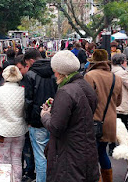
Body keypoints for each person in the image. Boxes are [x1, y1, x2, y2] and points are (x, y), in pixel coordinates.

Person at [41, 50, 99, 182]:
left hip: (69, 154)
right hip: (85, 150)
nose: (54, 74)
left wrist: (45, 115)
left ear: (59, 71)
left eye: (54, 70)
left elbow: (56, 127)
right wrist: (57, 107)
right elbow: (82, 113)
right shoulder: (84, 85)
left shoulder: (66, 91)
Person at [84, 50, 122, 182]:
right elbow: (118, 102)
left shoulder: (89, 76)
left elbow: (86, 101)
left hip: (94, 121)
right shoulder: (116, 78)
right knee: (102, 153)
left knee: (91, 155)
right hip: (110, 121)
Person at [0, 66, 27, 182]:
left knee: (4, 161)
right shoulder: (23, 91)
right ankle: (17, 180)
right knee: (17, 160)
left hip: (2, 131)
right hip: (19, 130)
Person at [23, 48, 57, 182]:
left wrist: (28, 119)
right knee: (53, 155)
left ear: (31, 61)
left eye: (26, 64)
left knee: (40, 156)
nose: (27, 66)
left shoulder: (30, 75)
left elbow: (28, 100)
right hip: (54, 118)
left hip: (37, 120)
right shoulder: (55, 72)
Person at [14, 55, 35, 181]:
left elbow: (29, 101)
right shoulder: (21, 80)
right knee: (24, 149)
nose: (19, 71)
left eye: (20, 68)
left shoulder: (28, 79)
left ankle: (29, 171)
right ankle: (27, 171)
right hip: (23, 121)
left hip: (28, 121)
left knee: (28, 149)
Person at [111, 53, 128, 129]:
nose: (126, 63)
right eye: (125, 61)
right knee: (122, 127)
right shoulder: (122, 73)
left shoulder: (111, 71)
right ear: (122, 62)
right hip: (121, 104)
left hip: (112, 104)